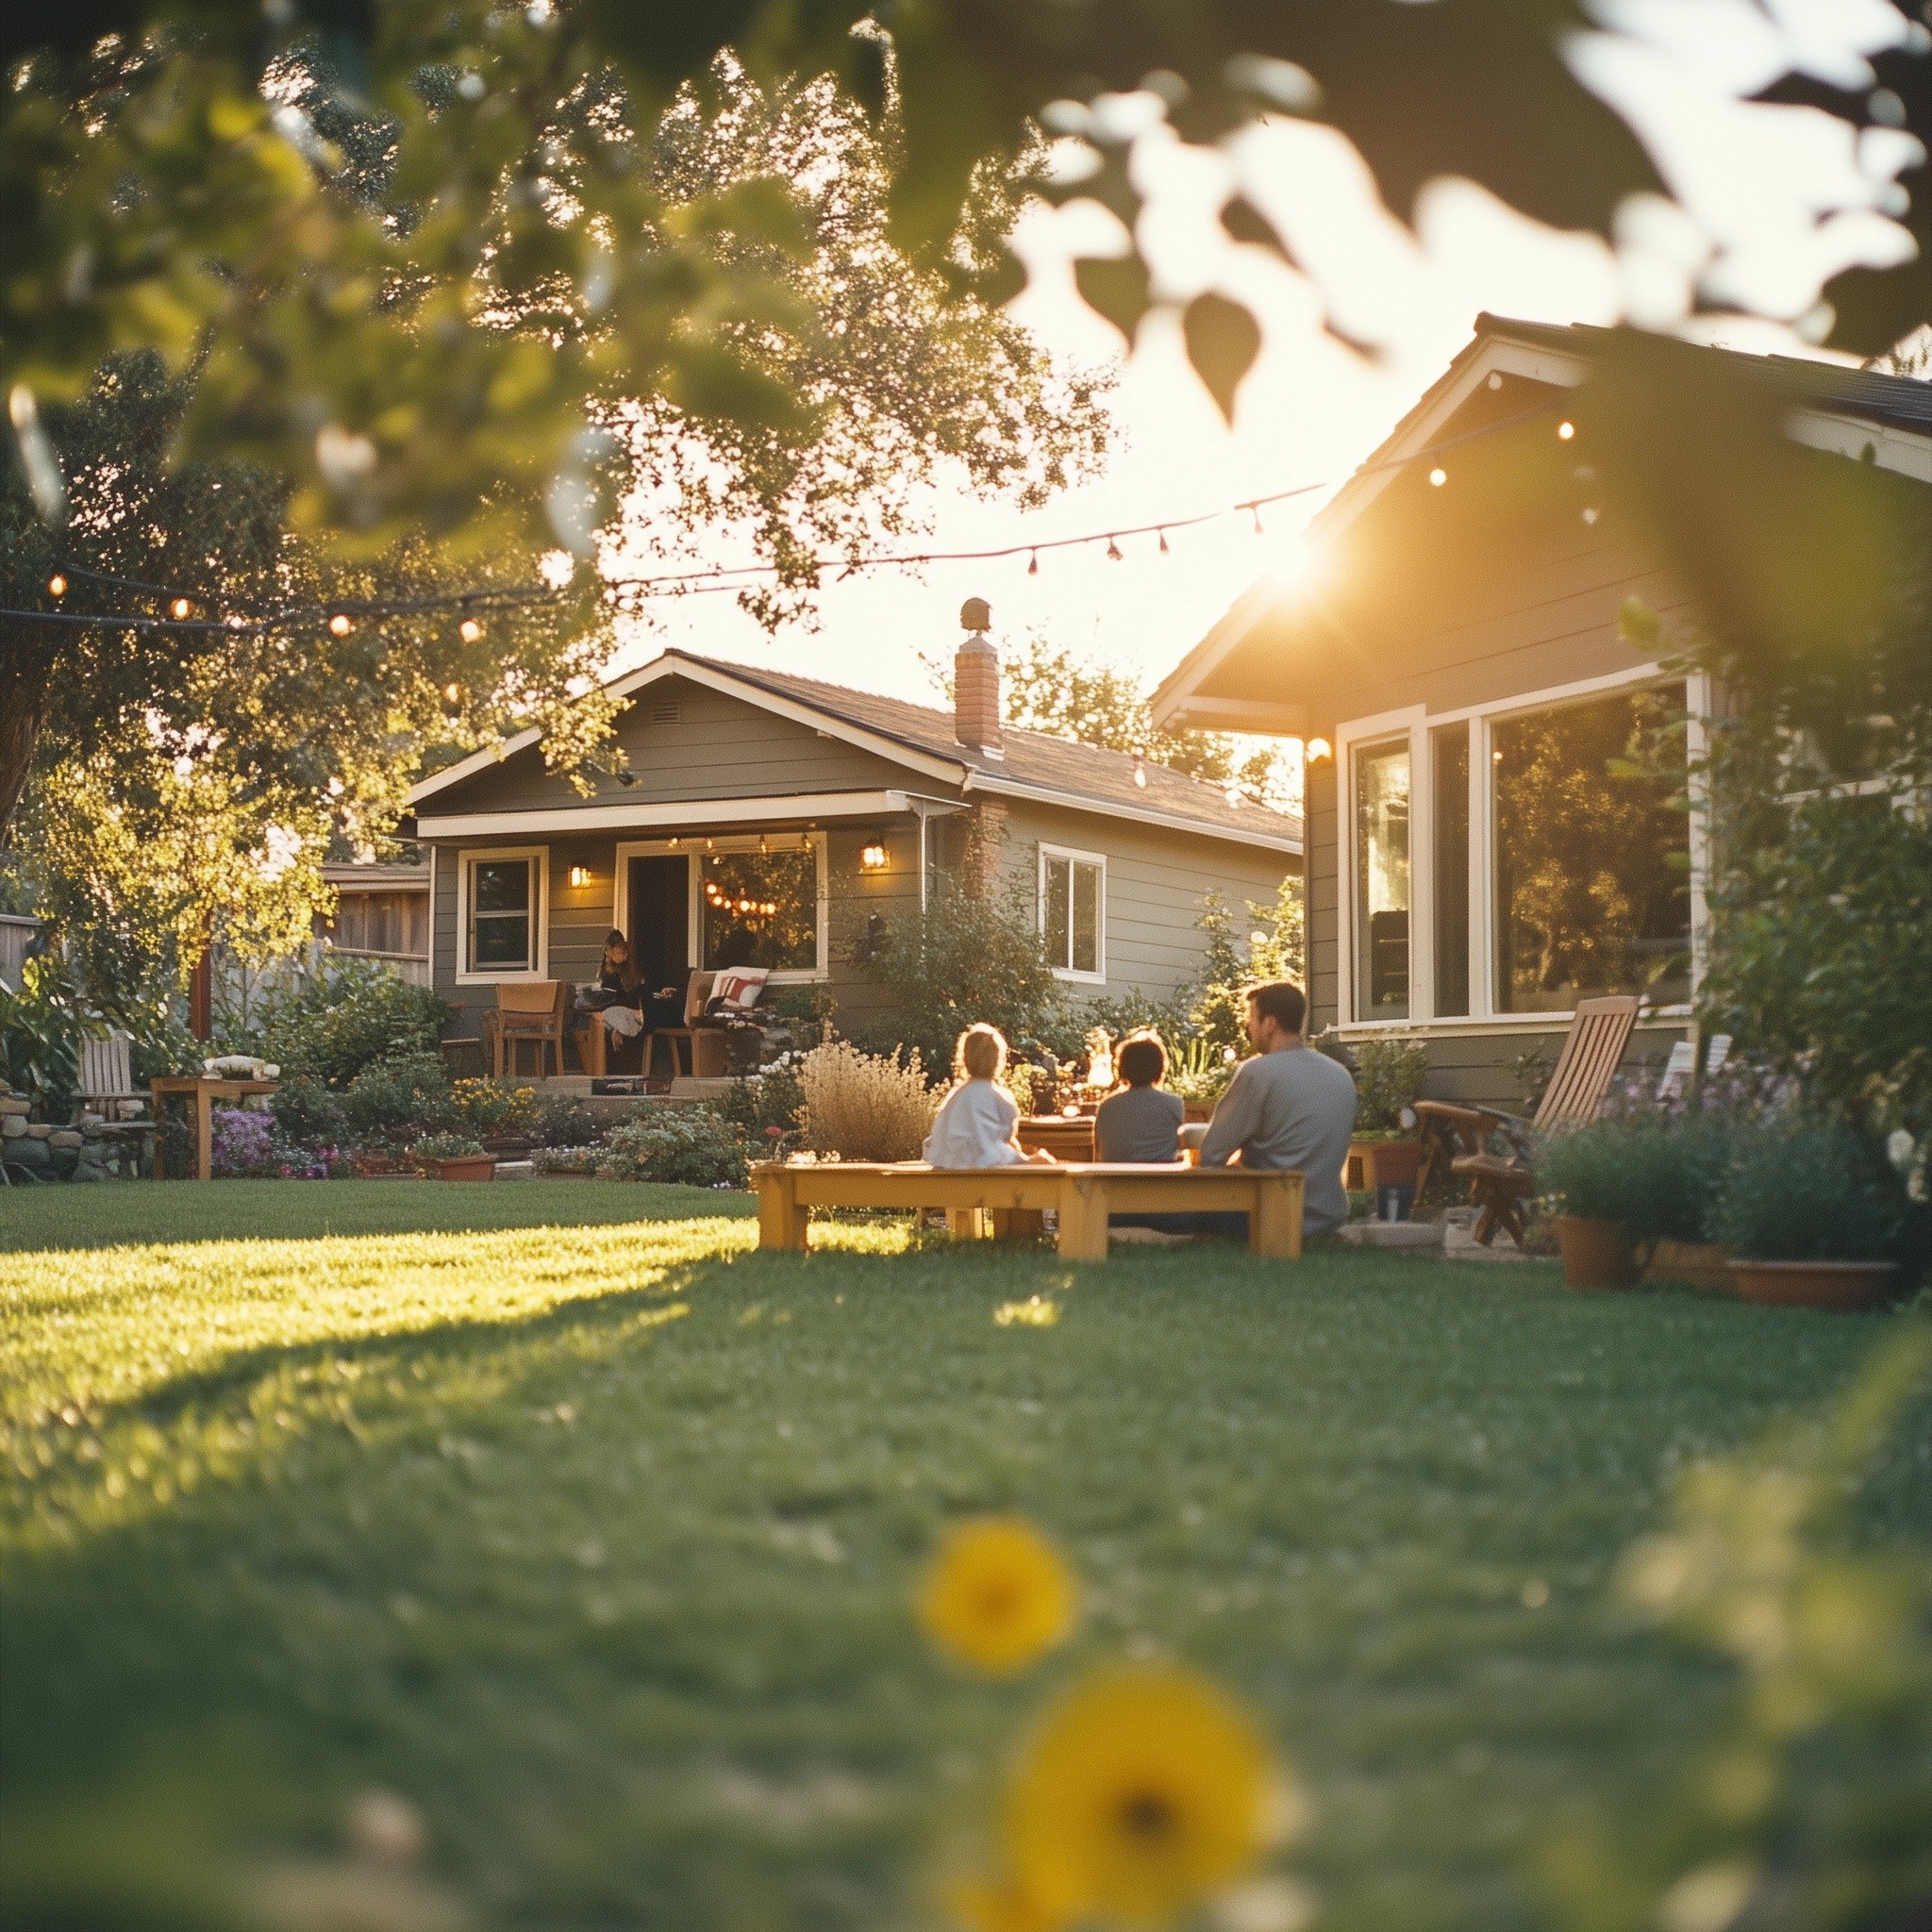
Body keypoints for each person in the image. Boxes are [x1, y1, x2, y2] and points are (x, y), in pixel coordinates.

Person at [1197, 980, 1357, 1238]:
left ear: (1269, 1023)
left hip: (1269, 1213)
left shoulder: (1257, 1073)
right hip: (1328, 1218)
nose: (1248, 1026)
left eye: (1252, 1018)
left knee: (1176, 1207)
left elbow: (1213, 1152)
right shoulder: (1340, 1074)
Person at [924, 1024, 1058, 1167]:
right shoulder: (1000, 1096)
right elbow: (1007, 1137)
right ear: (998, 1059)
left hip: (949, 1164)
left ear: (965, 1058)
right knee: (1044, 1160)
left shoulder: (953, 1098)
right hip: (988, 1162)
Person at [1094, 1032, 1184, 1163]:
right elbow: (1186, 1147)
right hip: (1162, 1181)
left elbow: (1098, 1156)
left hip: (1115, 1180)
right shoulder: (1174, 1104)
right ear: (1160, 1068)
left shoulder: (1107, 1106)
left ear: (1122, 1069)